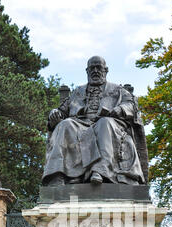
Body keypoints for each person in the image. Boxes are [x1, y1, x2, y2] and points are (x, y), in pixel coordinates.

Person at [42, 56, 145, 186]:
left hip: (109, 124)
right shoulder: (77, 92)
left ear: (106, 70)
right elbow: (62, 111)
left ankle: (101, 171)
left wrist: (120, 109)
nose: (95, 71)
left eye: (99, 67)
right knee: (65, 124)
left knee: (104, 123)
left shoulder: (118, 90)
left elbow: (131, 105)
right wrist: (54, 114)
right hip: (81, 124)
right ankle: (59, 174)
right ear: (87, 71)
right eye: (92, 68)